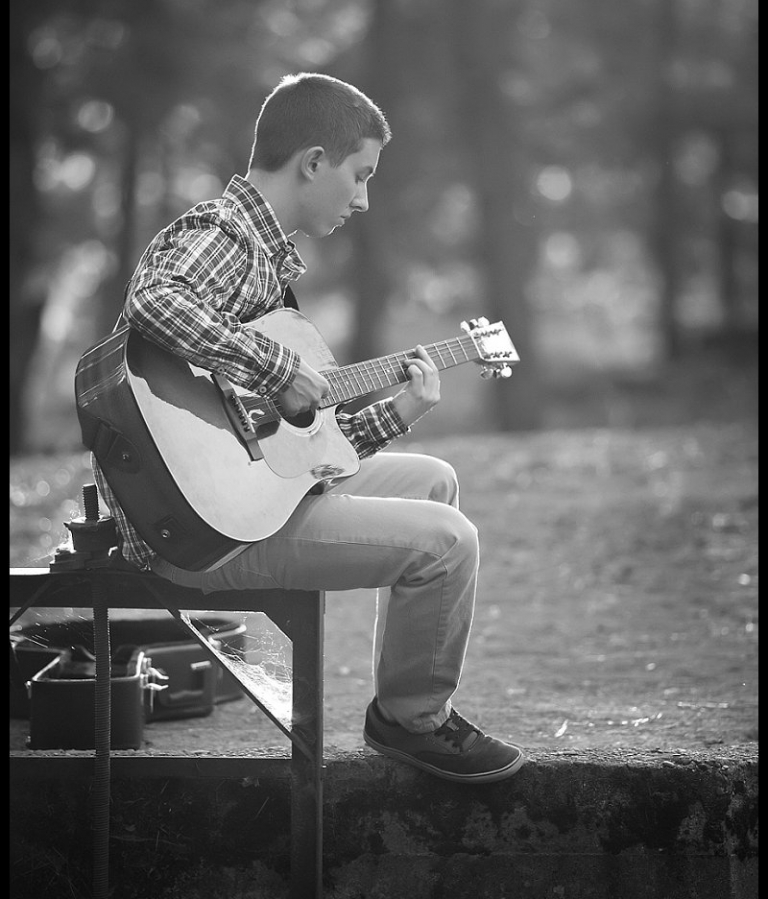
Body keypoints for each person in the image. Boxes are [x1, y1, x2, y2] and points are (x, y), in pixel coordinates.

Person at [91, 71, 524, 784]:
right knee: (451, 544)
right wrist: (275, 369)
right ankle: (413, 720)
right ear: (314, 162)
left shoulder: (264, 268)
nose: (363, 198)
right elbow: (154, 299)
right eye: (360, 175)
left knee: (435, 481)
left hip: (244, 500)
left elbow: (294, 452)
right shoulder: (224, 234)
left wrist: (399, 411)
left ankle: (403, 705)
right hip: (201, 532)